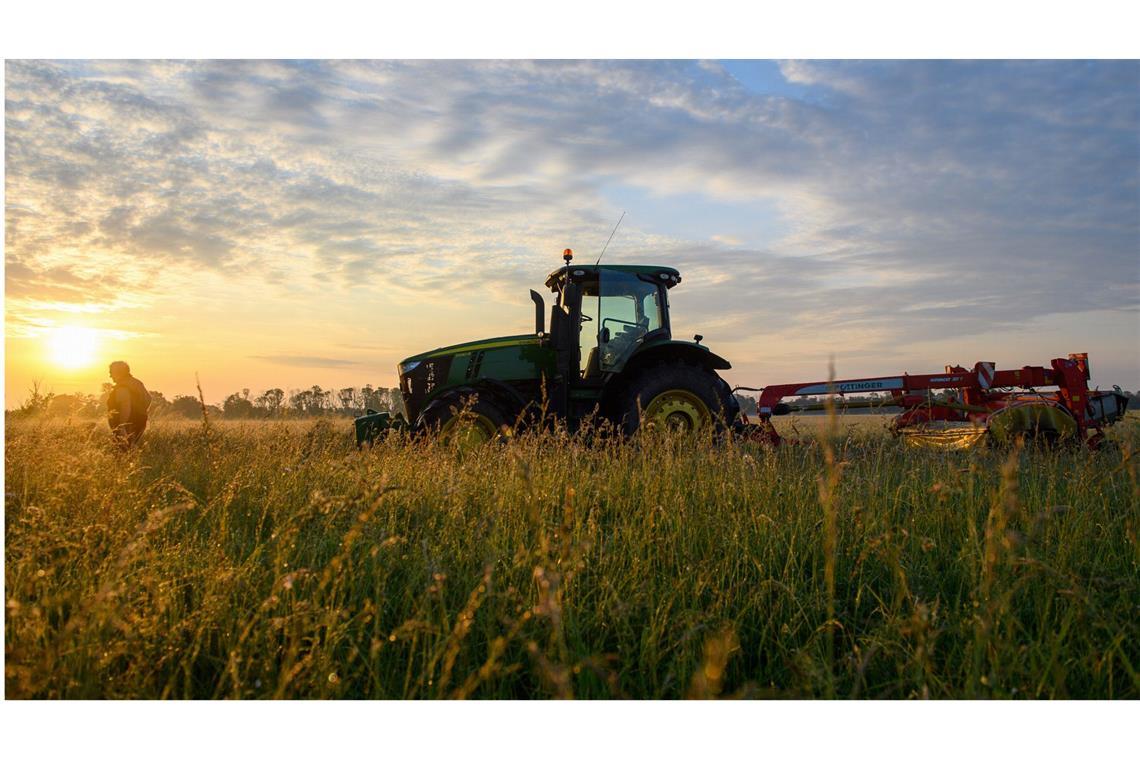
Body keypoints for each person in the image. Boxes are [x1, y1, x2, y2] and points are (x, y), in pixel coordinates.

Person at [107, 361, 151, 449]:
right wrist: (141, 412)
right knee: (131, 448)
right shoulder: (137, 383)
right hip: (140, 421)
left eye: (111, 372)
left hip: (125, 425)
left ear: (118, 373)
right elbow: (148, 399)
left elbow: (125, 406)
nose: (110, 376)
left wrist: (122, 426)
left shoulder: (122, 387)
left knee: (123, 451)